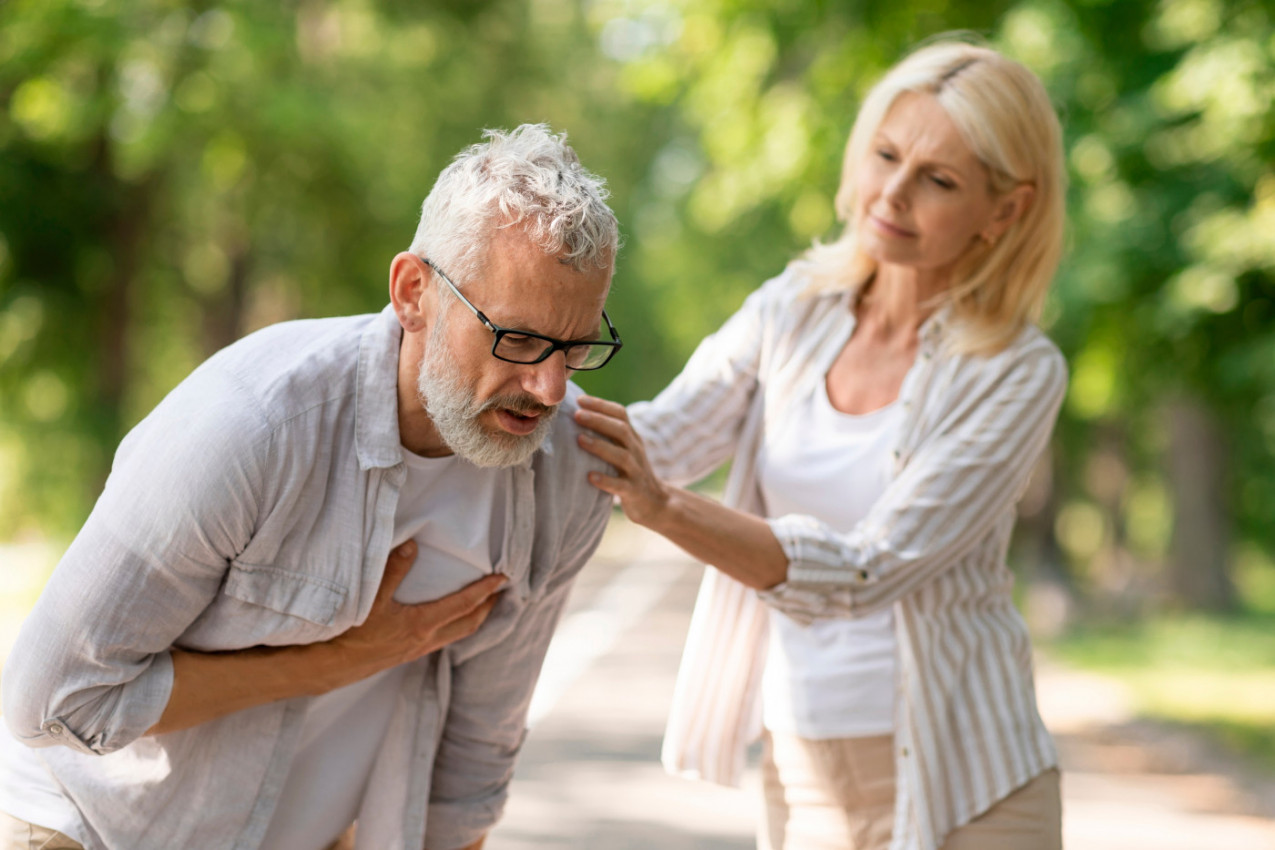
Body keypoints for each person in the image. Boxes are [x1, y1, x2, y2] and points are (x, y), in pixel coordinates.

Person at [1, 123, 623, 850]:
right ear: (414, 292)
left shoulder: (568, 472)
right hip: (95, 829)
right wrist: (334, 660)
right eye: (516, 339)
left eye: (575, 347)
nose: (548, 388)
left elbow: (472, 764)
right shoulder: (251, 425)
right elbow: (52, 699)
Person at [575, 41, 1067, 850]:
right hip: (804, 777)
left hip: (970, 785)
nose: (893, 193)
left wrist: (663, 510)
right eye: (884, 154)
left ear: (1004, 212)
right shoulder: (791, 311)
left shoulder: (1014, 371)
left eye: (937, 180)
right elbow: (656, 437)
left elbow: (869, 569)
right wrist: (515, 391)